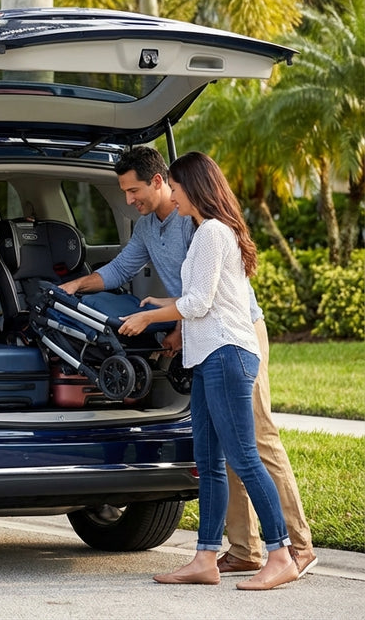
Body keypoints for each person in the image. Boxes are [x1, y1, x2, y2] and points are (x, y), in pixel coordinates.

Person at [59, 146, 317, 581]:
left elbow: (204, 298)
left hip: (233, 334)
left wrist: (160, 317)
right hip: (199, 334)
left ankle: (296, 548)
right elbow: (122, 269)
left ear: (163, 183)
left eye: (133, 189)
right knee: (219, 453)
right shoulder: (149, 227)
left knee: (255, 442)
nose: (129, 199)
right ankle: (242, 549)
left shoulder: (200, 227)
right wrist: (78, 285)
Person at [116, 151, 296, 590]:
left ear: (193, 188)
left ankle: (281, 553)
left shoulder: (213, 232)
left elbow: (197, 303)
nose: (172, 198)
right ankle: (205, 558)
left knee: (243, 458)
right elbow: (199, 295)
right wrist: (163, 306)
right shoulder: (204, 233)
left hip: (228, 353)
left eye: (175, 189)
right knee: (209, 461)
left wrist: (148, 318)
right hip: (205, 356)